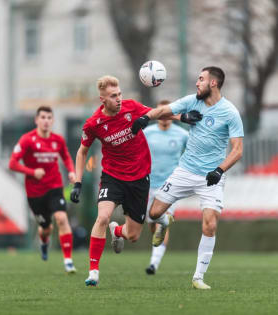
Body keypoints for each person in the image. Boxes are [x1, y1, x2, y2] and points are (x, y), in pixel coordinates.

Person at [70, 75, 201, 287]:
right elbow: (82, 151)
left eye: (120, 94)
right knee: (102, 216)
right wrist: (77, 182)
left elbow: (158, 113)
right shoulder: (93, 124)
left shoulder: (131, 107)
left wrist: (183, 117)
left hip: (139, 178)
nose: (119, 99)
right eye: (113, 96)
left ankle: (117, 230)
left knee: (132, 235)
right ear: (102, 99)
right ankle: (93, 270)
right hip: (112, 177)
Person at [131, 66, 244, 290]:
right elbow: (164, 110)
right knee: (153, 214)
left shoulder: (230, 112)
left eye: (201, 79)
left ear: (213, 83)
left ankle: (198, 277)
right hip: (184, 172)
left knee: (210, 224)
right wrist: (145, 118)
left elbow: (237, 150)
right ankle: (164, 221)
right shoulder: (192, 101)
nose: (196, 83)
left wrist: (219, 170)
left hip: (211, 177)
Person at [9, 106, 77, 273]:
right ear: (36, 120)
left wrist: (71, 171)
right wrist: (32, 172)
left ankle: (68, 260)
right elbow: (12, 163)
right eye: (43, 117)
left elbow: (66, 157)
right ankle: (44, 241)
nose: (46, 121)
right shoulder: (27, 140)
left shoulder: (58, 140)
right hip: (34, 193)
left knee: (61, 218)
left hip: (54, 187)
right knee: (46, 228)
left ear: (52, 121)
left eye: (49, 118)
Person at [143, 100, 189, 275]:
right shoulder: (147, 133)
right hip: (148, 185)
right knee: (153, 224)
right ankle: (159, 231)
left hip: (171, 185)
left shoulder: (181, 134)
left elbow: (191, 153)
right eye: (161, 112)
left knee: (164, 221)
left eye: (168, 113)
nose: (165, 116)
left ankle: (154, 263)